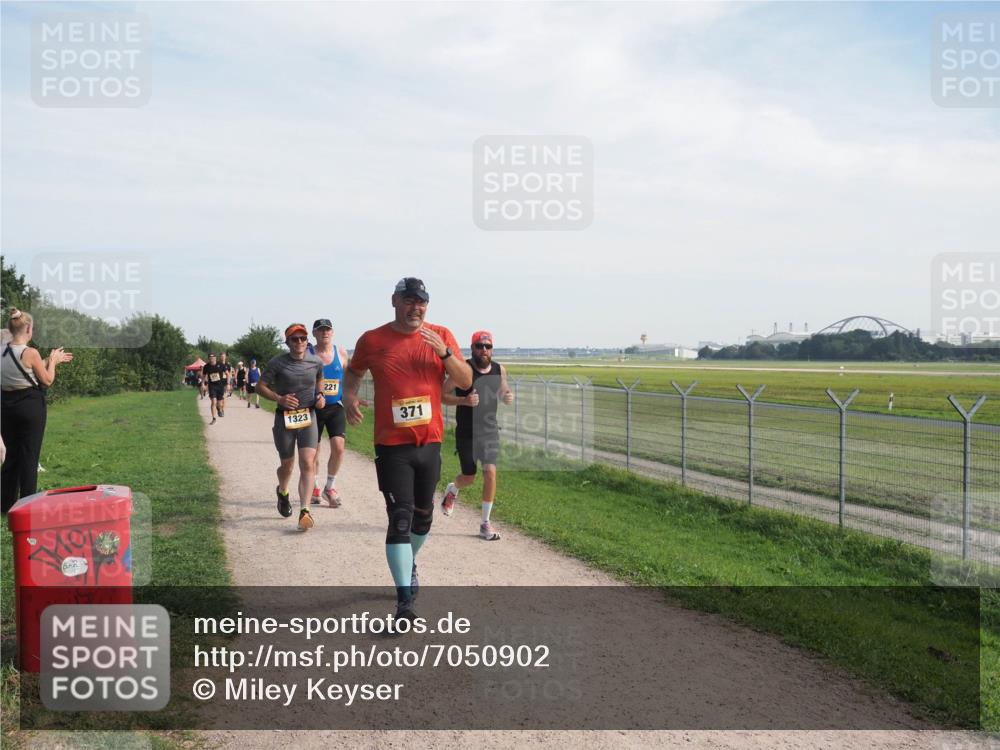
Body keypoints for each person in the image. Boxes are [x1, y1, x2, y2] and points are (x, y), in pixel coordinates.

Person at [343, 277, 472, 620]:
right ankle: (404, 601)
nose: (416, 307)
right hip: (392, 445)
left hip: (429, 442)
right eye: (409, 300)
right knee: (400, 518)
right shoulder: (372, 339)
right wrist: (349, 396)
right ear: (394, 301)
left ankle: (409, 562)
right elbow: (353, 372)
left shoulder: (441, 335)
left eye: (422, 302)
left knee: (423, 519)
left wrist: (444, 353)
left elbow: (464, 381)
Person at [440, 331, 514, 540]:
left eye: (488, 346)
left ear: (492, 348)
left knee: (490, 472)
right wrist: (463, 401)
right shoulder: (463, 370)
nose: (484, 350)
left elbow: (503, 390)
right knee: (469, 477)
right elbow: (442, 395)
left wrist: (506, 396)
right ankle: (453, 489)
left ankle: (485, 524)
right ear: (472, 348)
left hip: (490, 430)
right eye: (480, 346)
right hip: (466, 433)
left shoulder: (500, 369)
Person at [1, 308, 73, 513]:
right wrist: (54, 362)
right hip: (29, 406)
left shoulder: (2, 350)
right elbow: (47, 380)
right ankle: (27, 504)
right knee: (29, 456)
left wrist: (48, 361)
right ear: (29, 329)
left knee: (12, 455)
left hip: (6, 406)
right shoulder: (30, 352)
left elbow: (25, 371)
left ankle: (5, 503)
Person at [256, 324, 326, 531]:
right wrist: (279, 398)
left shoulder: (316, 361)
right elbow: (260, 386)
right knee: (287, 466)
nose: (299, 343)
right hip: (284, 419)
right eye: (294, 339)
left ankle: (305, 511)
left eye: (302, 339)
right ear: (287, 342)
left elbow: (320, 379)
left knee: (307, 463)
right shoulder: (277, 363)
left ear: (307, 341)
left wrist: (320, 395)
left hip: (308, 416)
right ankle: (283, 491)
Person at [309, 319, 349, 507]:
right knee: (314, 452)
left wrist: (351, 399)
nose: (325, 332)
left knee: (339, 447)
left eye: (328, 329)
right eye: (320, 330)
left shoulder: (340, 353)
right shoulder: (308, 354)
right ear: (314, 333)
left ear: (332, 332)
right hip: (313, 408)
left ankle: (330, 486)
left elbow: (349, 379)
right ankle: (315, 487)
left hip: (335, 407)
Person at [201, 353, 228, 424]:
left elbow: (228, 374)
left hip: (220, 386)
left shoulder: (221, 365)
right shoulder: (206, 366)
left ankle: (219, 409)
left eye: (212, 358)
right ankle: (214, 418)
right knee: (213, 402)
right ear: (208, 359)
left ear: (215, 358)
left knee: (220, 403)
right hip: (212, 386)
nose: (211, 359)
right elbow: (203, 376)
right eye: (210, 358)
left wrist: (228, 384)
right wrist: (203, 384)